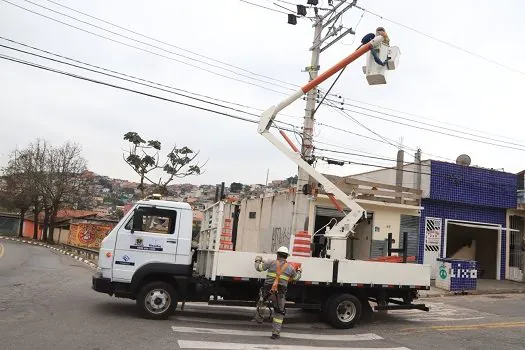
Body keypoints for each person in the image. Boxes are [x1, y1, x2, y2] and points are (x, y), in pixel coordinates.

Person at [254, 246, 302, 339]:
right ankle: (275, 333)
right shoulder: (290, 268)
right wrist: (299, 271)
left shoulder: (271, 262)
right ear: (286, 256)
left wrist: (258, 259)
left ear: (277, 254)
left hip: (267, 291)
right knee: (279, 312)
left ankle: (259, 319)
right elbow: (296, 278)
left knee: (261, 302)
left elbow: (258, 268)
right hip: (280, 294)